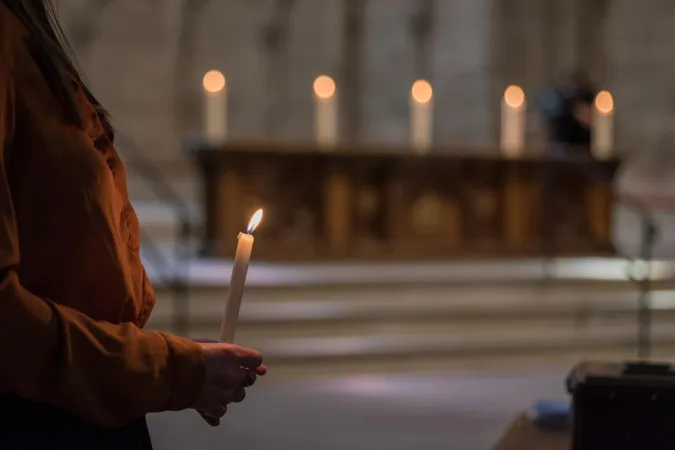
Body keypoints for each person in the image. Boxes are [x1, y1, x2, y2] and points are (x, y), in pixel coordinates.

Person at [0, 1, 266, 447]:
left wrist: (174, 360)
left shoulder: (24, 28)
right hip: (36, 420)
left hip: (84, 405)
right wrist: (173, 367)